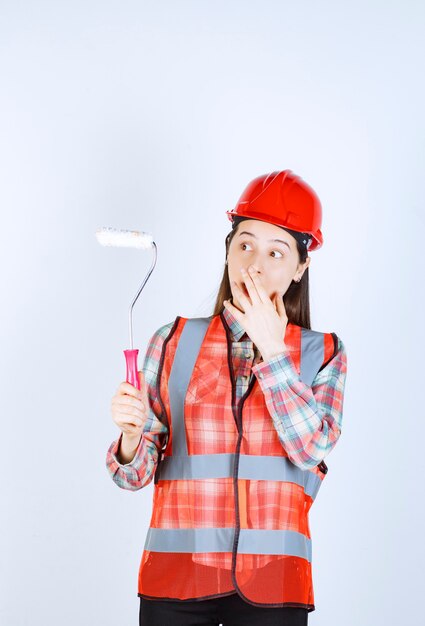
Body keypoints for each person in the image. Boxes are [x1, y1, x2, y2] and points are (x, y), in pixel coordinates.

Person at [106, 170, 348, 626]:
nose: (253, 264)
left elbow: (310, 448)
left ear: (300, 266)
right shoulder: (173, 342)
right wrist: (129, 439)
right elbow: (133, 478)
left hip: (273, 584)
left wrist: (275, 353)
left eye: (276, 252)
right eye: (244, 244)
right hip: (176, 580)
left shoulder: (322, 353)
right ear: (228, 249)